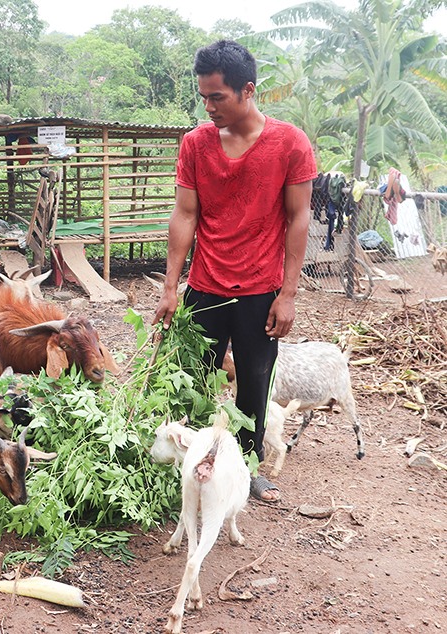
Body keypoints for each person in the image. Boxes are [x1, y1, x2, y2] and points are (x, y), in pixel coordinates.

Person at [153, 40, 317, 503]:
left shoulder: (289, 144)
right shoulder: (196, 144)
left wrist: (287, 294)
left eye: (217, 97)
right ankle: (186, 463)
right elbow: (184, 215)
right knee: (192, 379)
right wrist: (170, 288)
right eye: (203, 97)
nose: (208, 108)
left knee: (253, 383)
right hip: (204, 287)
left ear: (247, 90)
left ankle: (246, 469)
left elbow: (298, 218)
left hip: (261, 292)